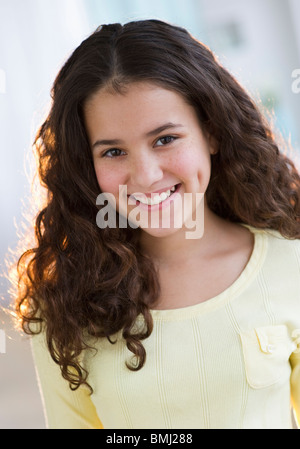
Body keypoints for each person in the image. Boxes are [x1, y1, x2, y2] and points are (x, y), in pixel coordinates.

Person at [12, 19, 300, 429]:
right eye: (113, 151)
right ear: (86, 165)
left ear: (211, 131)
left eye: (165, 139)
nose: (145, 176)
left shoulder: (291, 265)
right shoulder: (64, 303)